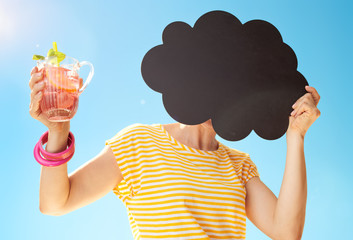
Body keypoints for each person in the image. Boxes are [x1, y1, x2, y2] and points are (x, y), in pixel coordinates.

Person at [29, 66, 321, 240]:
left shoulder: (239, 164)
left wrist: (296, 136)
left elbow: (286, 232)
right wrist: (58, 132)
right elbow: (56, 203)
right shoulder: (139, 141)